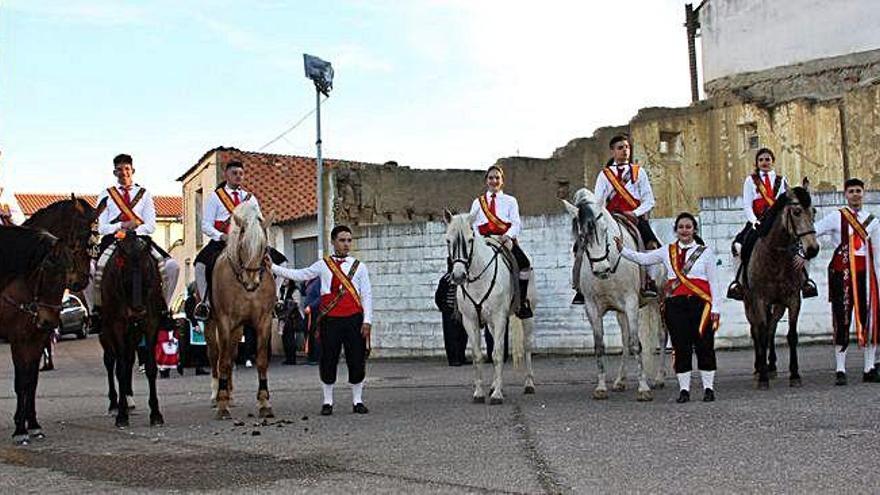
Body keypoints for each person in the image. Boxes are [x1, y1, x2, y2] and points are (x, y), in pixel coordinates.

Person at [615, 212, 721, 403]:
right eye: (681, 227)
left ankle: (708, 388)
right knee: (681, 346)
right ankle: (684, 390)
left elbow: (714, 282)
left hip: (701, 304)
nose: (685, 230)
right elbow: (642, 258)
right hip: (676, 304)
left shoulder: (705, 252)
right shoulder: (667, 251)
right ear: (676, 230)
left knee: (705, 345)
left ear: (694, 230)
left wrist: (716, 308)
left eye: (688, 227)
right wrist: (622, 250)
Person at [272, 225, 373, 415]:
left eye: (349, 240)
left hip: (354, 319)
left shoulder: (360, 267)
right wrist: (273, 267)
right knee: (328, 359)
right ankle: (328, 402)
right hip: (330, 319)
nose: (346, 244)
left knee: (357, 359)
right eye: (342, 240)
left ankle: (357, 400)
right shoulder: (322, 265)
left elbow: (366, 294)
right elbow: (299, 275)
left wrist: (367, 320)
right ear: (333, 242)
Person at [87, 154, 180, 332]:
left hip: (140, 239)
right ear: (115, 172)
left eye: (127, 169)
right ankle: (95, 310)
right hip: (114, 239)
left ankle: (163, 309)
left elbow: (151, 225)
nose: (124, 172)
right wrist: (121, 226)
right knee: (91, 270)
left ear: (133, 170)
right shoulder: (106, 194)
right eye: (120, 169)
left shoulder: (144, 194)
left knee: (172, 267)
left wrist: (133, 231)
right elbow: (101, 227)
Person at [192, 160, 288, 321]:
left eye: (241, 174)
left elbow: (259, 221)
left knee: (283, 263)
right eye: (234, 173)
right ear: (226, 175)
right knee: (200, 265)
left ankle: (275, 299)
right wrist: (221, 236)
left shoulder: (250, 198)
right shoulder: (216, 198)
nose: (238, 176)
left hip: (248, 243)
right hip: (223, 240)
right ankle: (205, 303)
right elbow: (206, 225)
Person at [575, 134, 660, 304]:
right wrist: (604, 216)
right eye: (620, 148)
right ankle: (579, 286)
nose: (625, 151)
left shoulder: (639, 172)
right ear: (613, 151)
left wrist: (635, 213)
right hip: (611, 216)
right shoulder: (605, 175)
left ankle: (649, 282)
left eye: (627, 147)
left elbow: (649, 200)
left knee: (652, 244)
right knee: (581, 244)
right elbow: (598, 201)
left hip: (635, 217)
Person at [813, 178, 880, 385]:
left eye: (858, 191)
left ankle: (869, 368)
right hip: (842, 275)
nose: (855, 195)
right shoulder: (836, 217)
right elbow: (813, 231)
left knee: (870, 320)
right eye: (851, 191)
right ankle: (840, 369)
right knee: (842, 319)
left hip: (866, 276)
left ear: (864, 193)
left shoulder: (873, 221)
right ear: (846, 194)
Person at [727, 147, 817, 300]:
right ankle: (739, 281)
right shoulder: (751, 180)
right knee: (739, 245)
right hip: (756, 221)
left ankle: (805, 279)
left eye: (767, 159)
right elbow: (747, 204)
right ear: (757, 163)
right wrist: (753, 221)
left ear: (772, 161)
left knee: (800, 244)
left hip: (775, 221)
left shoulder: (781, 180)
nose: (764, 162)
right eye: (761, 160)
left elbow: (785, 203)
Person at [468, 165, 533, 319]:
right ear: (486, 181)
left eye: (497, 177)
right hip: (483, 241)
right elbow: (474, 224)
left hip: (504, 240)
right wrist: (479, 240)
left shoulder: (510, 201)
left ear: (502, 181)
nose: (494, 181)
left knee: (524, 264)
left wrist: (508, 235)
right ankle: (463, 302)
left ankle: (521, 302)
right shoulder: (478, 203)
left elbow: (516, 223)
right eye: (491, 178)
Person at [435, 258, 469, 366]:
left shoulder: (464, 279)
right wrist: (445, 308)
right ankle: (453, 358)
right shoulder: (446, 279)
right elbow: (439, 296)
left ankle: (461, 357)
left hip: (461, 310)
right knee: (451, 336)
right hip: (449, 311)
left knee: (462, 335)